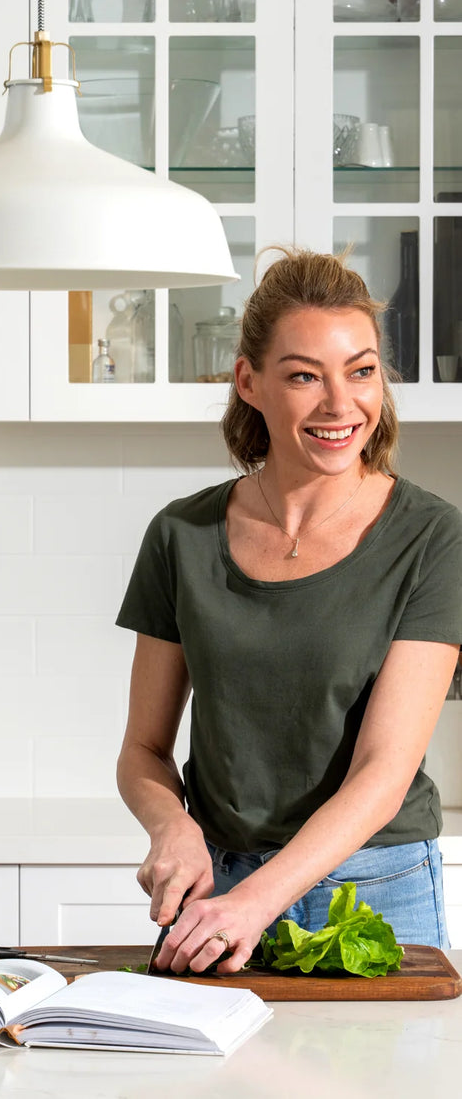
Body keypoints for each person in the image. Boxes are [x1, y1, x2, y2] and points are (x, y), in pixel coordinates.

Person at [116, 246, 462, 975]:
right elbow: (143, 750)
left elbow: (384, 770)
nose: (342, 405)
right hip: (216, 887)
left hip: (377, 889)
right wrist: (170, 825)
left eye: (361, 371)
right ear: (249, 381)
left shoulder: (434, 537)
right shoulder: (182, 535)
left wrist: (258, 901)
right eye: (305, 376)